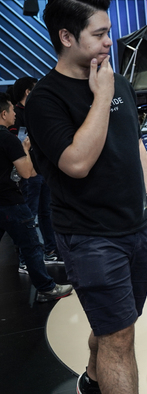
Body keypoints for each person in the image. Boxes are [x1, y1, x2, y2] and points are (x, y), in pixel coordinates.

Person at [25, 1, 147, 393]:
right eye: (99, 34)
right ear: (66, 37)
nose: (109, 42)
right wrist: (100, 96)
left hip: (137, 227)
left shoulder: (117, 82)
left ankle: (92, 377)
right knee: (120, 338)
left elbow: (135, 144)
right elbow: (77, 163)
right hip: (90, 237)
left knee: (117, 326)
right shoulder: (45, 100)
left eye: (108, 32)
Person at [0, 92, 73, 301]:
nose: (15, 114)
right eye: (12, 111)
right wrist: (24, 149)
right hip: (11, 202)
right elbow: (27, 173)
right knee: (31, 245)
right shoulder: (8, 139)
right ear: (4, 114)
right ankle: (45, 288)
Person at [10, 76, 62, 266]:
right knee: (30, 216)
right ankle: (26, 260)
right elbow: (17, 144)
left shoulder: (36, 111)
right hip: (28, 173)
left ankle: (50, 250)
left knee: (46, 212)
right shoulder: (17, 113)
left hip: (43, 170)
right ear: (27, 91)